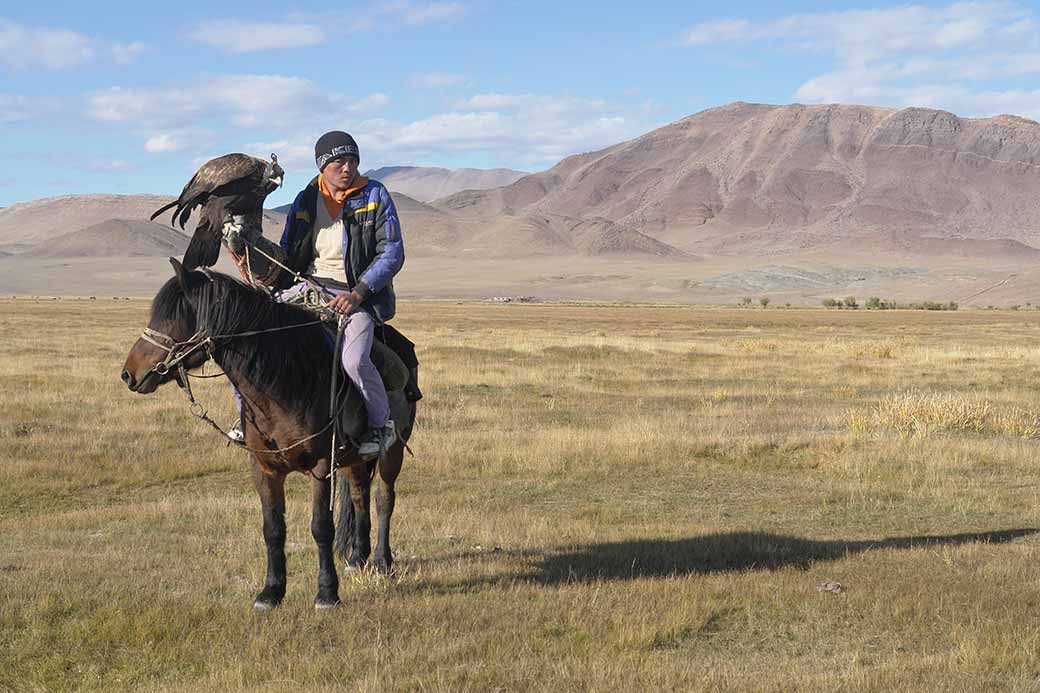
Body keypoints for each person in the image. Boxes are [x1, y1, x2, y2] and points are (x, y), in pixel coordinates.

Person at [227, 131, 404, 460]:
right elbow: (287, 252)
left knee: (354, 360)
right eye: (338, 162)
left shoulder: (375, 195)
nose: (347, 168)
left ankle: (382, 425)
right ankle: (246, 418)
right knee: (249, 341)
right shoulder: (306, 200)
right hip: (307, 286)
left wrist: (358, 293)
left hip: (357, 294)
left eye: (352, 160)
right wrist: (247, 245)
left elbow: (392, 252)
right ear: (322, 166)